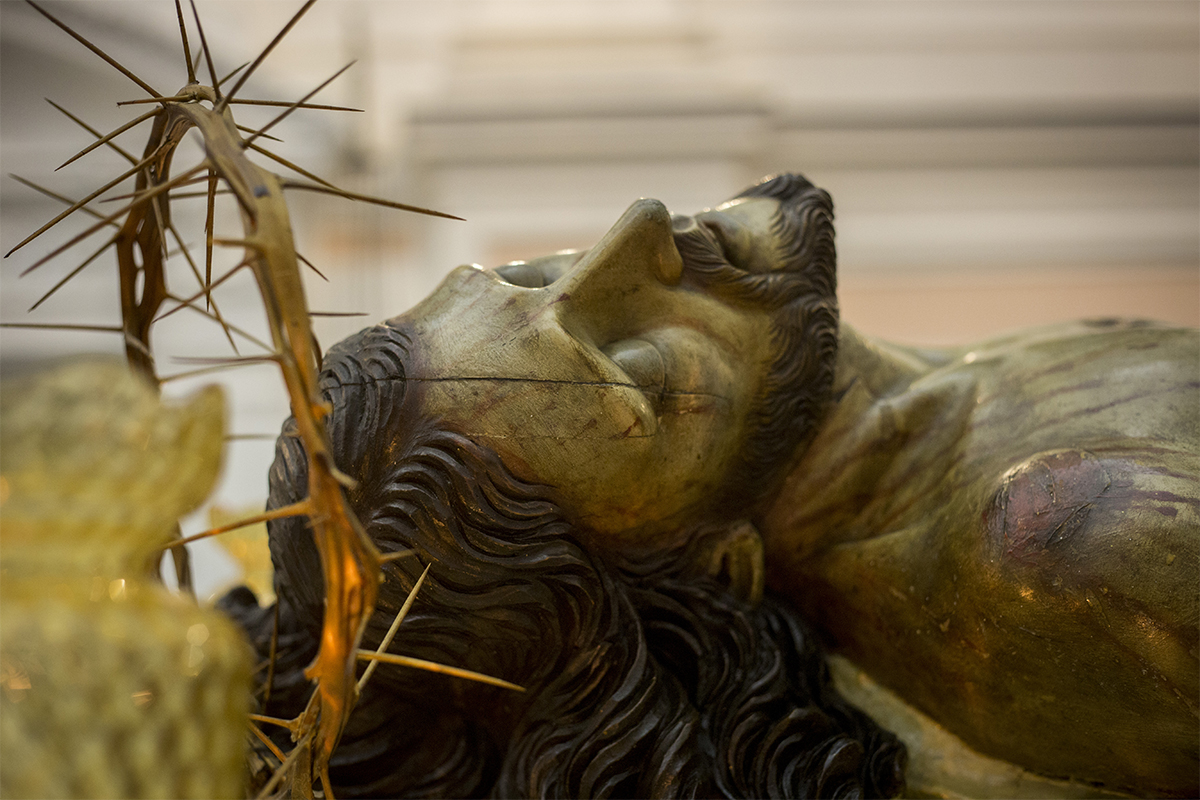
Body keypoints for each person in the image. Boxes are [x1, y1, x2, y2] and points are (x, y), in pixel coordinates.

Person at [229, 174, 1198, 797]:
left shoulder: (945, 393)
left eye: (526, 276)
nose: (641, 232)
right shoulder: (1070, 543)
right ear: (712, 561)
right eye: (644, 370)